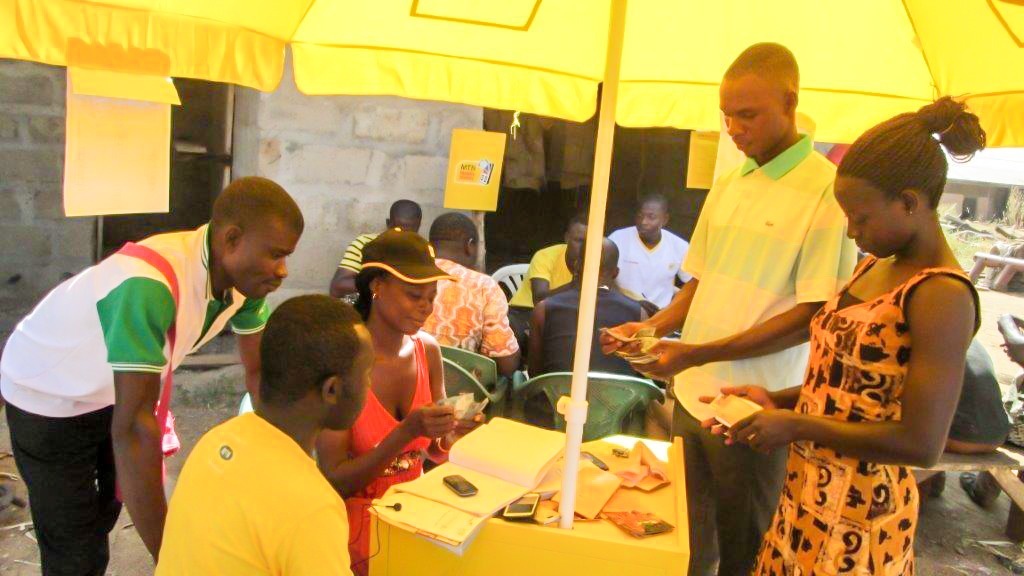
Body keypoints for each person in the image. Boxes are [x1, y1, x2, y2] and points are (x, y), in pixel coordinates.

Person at [700, 97, 985, 575]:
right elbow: (849, 391)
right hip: (807, 495)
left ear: (910, 203)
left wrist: (797, 426)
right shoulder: (877, 265)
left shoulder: (941, 295)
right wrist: (777, 402)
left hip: (861, 517)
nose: (852, 231)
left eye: (861, 218)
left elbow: (922, 443)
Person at [601, 43, 857, 576]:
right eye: (727, 116)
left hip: (752, 409)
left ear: (789, 102)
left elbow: (814, 314)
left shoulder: (825, 192)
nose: (735, 129)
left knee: (747, 546)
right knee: (687, 542)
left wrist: (694, 353)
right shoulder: (729, 182)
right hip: (691, 398)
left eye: (748, 114)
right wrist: (649, 329)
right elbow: (701, 282)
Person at [0, 176, 302, 572]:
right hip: (46, 393)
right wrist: (173, 555)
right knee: (75, 549)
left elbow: (259, 373)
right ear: (231, 240)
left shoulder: (245, 284)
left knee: (107, 507)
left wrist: (293, 457)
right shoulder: (148, 285)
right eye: (275, 255)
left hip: (107, 390)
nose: (283, 271)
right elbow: (136, 428)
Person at [157, 295, 370, 575]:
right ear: (332, 390)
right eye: (367, 372)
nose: (369, 384)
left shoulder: (216, 441)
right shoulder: (312, 506)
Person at [316, 229, 477, 576]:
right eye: (413, 294)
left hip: (416, 514)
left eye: (431, 297)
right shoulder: (342, 359)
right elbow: (333, 481)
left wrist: (451, 433)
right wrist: (405, 433)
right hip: (353, 530)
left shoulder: (426, 350)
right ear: (376, 286)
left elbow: (431, 451)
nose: (425, 306)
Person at [422, 213, 521, 376]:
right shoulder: (484, 286)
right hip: (462, 394)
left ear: (430, 245)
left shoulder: (407, 277)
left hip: (406, 384)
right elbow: (507, 364)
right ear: (470, 245)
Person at [529, 238, 644, 378]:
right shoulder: (639, 314)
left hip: (557, 397)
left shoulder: (543, 310)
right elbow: (643, 372)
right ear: (615, 273)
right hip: (623, 399)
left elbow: (534, 374)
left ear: (577, 266)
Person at [507, 214, 588, 353]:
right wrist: (575, 284)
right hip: (526, 312)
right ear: (567, 238)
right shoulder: (545, 255)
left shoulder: (599, 261)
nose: (584, 247)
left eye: (589, 242)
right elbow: (539, 299)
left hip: (566, 315)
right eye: (579, 241)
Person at [608, 193, 691, 311]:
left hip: (659, 317)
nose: (643, 222)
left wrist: (673, 308)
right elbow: (602, 278)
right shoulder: (617, 239)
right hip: (621, 311)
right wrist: (629, 301)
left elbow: (691, 284)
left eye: (651, 217)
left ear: (665, 219)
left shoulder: (679, 246)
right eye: (640, 216)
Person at [329, 199, 423, 298]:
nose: (402, 237)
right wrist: (381, 284)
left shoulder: (424, 252)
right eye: (397, 231)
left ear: (418, 227)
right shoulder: (364, 244)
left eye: (409, 233)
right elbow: (337, 287)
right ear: (388, 223)